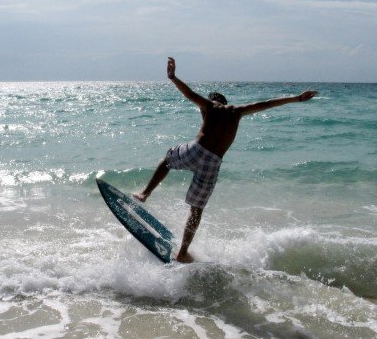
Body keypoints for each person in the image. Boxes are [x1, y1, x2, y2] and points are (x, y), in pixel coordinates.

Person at [134, 57, 318, 263]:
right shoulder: (236, 111)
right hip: (212, 164)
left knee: (168, 159)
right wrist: (297, 99)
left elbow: (189, 94)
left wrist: (172, 77)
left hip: (196, 151)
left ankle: (144, 193)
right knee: (196, 210)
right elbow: (265, 104)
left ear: (212, 103)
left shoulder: (209, 106)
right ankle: (183, 252)